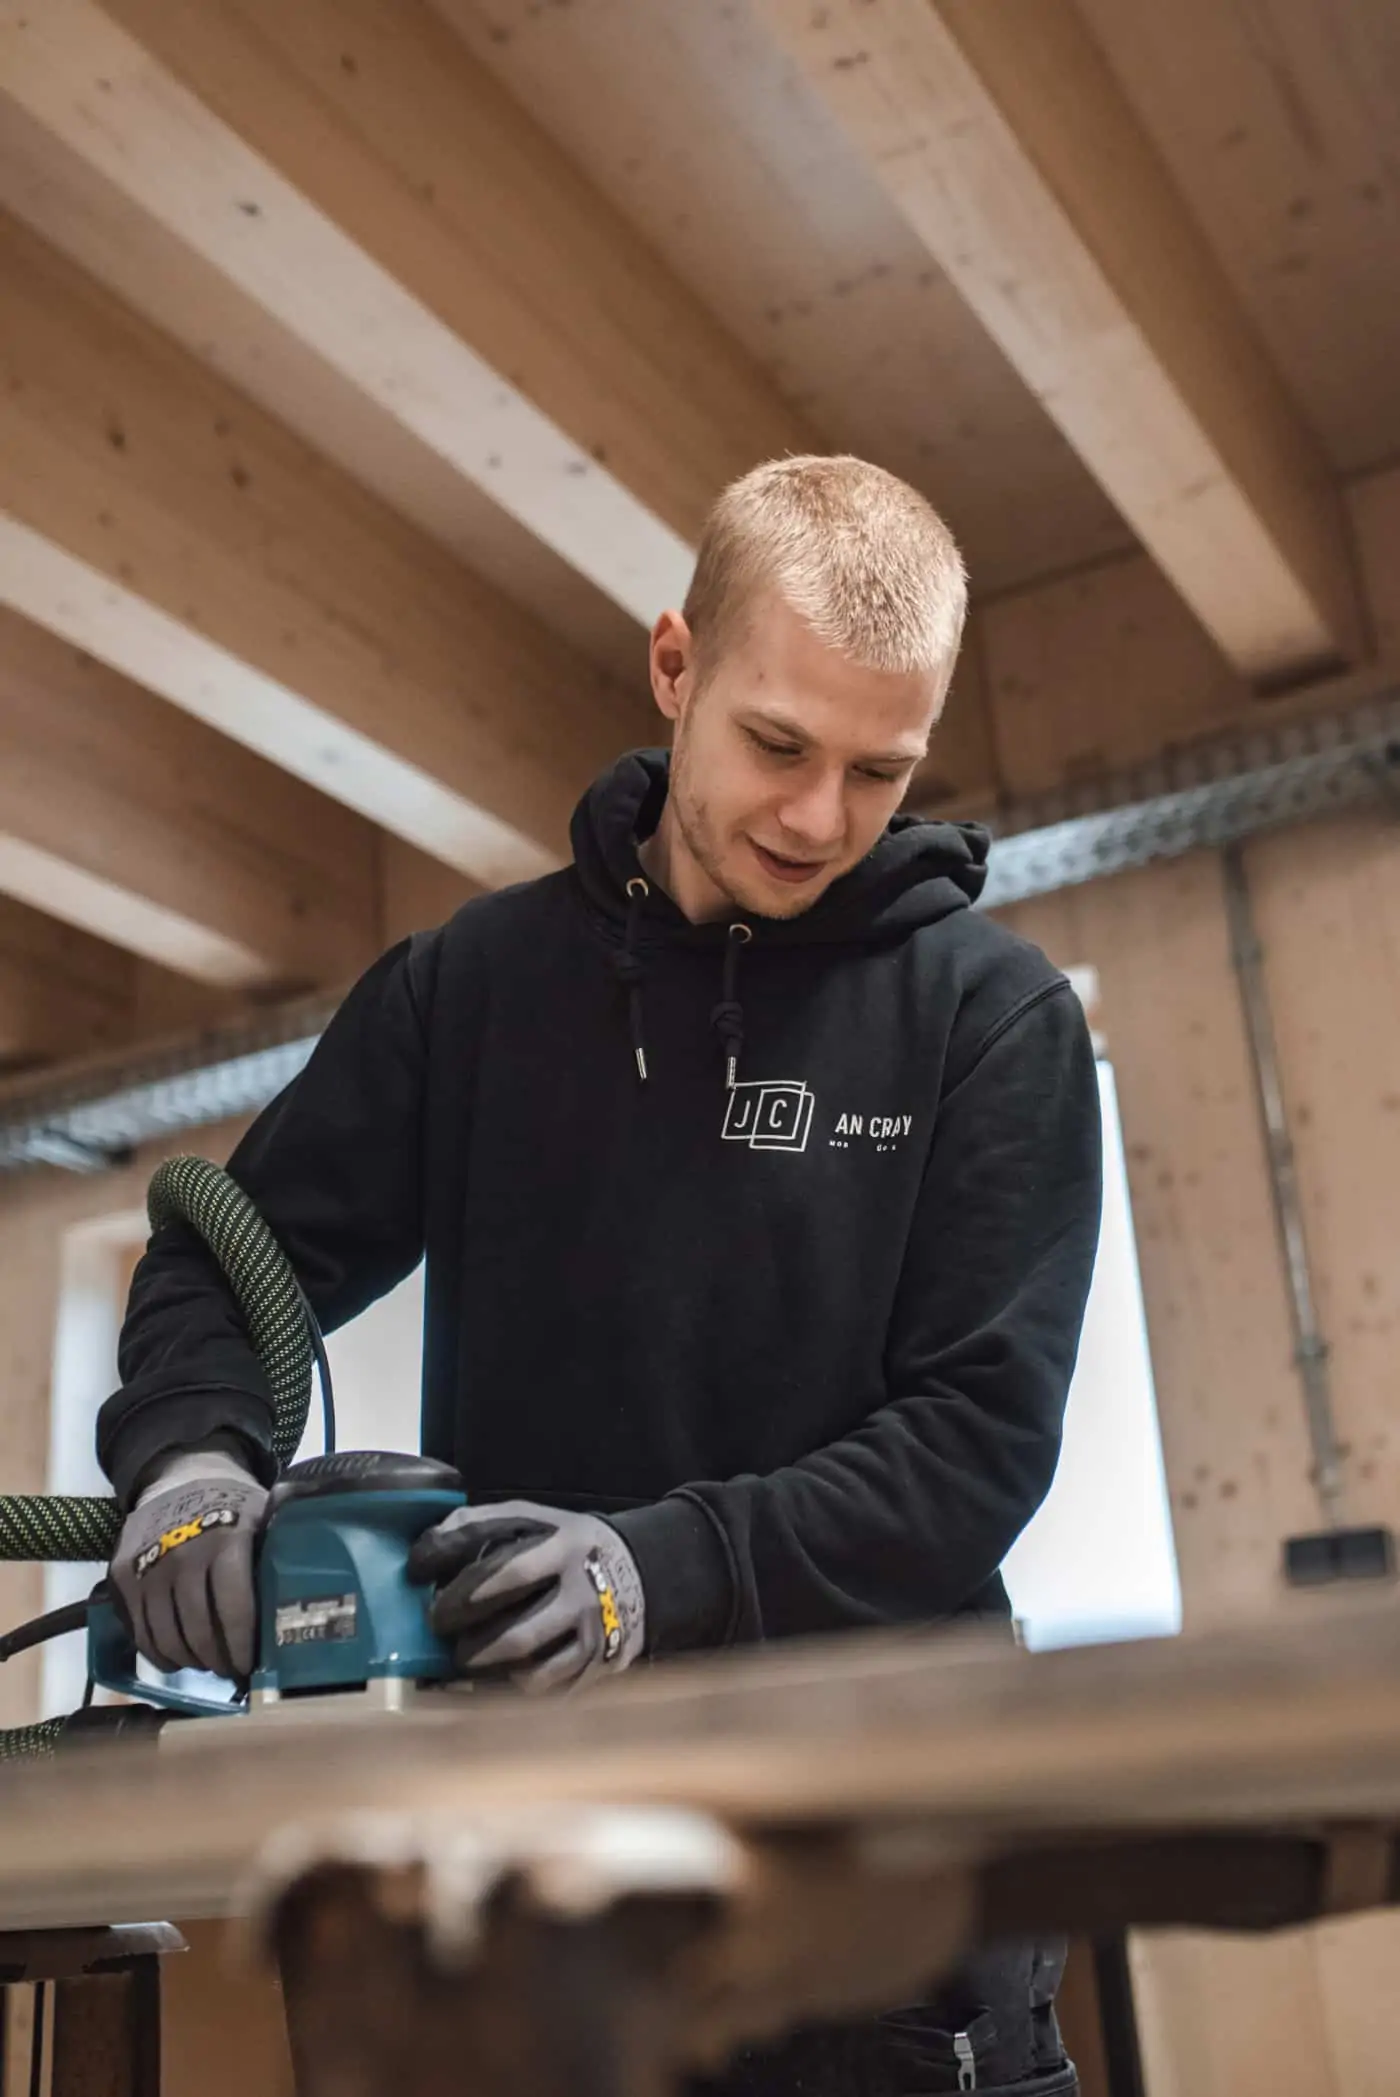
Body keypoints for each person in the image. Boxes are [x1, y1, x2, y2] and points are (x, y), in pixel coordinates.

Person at [100, 455, 1102, 2094]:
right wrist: (194, 1459)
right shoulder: (475, 990)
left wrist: (659, 1572)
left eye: (878, 771)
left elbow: (972, 1454)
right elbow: (230, 1253)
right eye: (778, 743)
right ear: (675, 665)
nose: (816, 820)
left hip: (875, 1890)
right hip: (533, 1882)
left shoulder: (988, 1023)